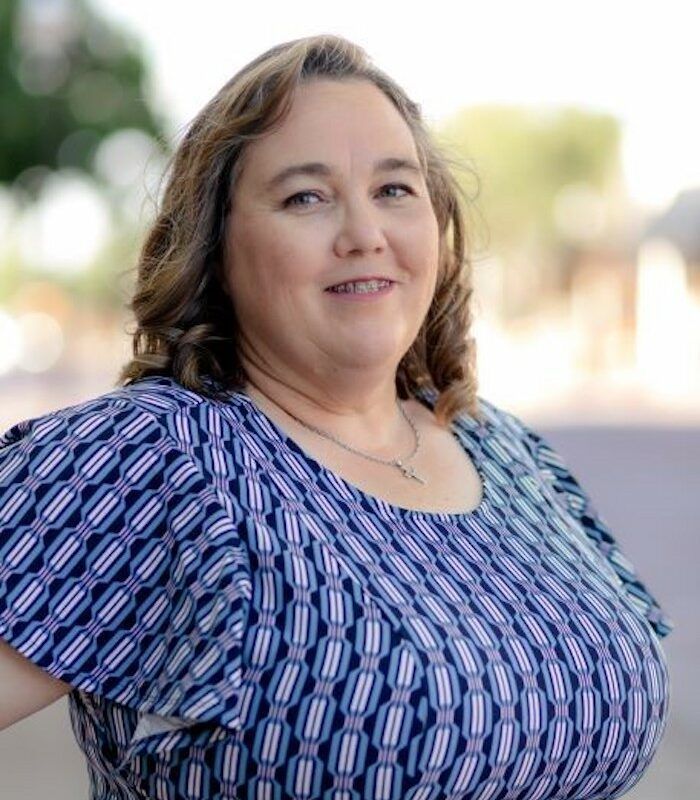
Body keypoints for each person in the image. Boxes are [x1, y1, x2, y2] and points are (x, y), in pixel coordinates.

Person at [0, 33, 674, 800]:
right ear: (215, 247)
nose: (365, 236)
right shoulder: (154, 460)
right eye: (305, 197)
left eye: (394, 189)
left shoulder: (509, 452)